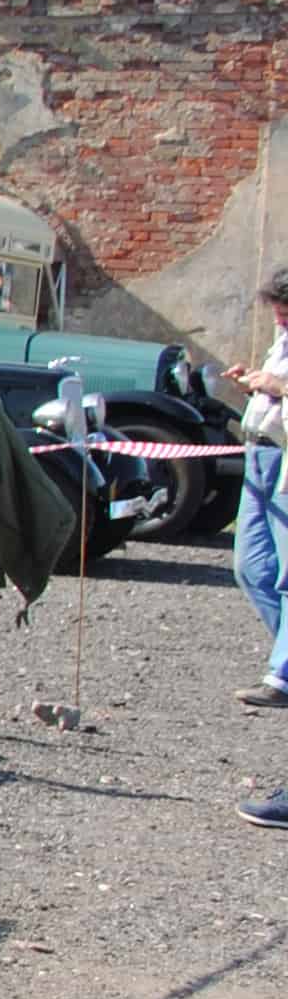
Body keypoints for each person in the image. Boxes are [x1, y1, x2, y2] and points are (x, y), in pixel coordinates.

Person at [221, 270, 288, 713]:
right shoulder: (281, 341)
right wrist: (255, 380)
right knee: (251, 567)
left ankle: (281, 676)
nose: (279, 320)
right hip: (258, 454)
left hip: (285, 457)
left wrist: (279, 386)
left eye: (285, 312)